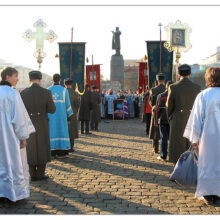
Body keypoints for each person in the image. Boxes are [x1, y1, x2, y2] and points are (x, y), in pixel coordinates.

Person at [184, 67, 220, 205]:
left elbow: (197, 119)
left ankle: (208, 193)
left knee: (207, 165)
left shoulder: (203, 95)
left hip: (208, 138)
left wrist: (194, 138)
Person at [0, 67, 35, 202]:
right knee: (11, 164)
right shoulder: (13, 94)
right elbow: (19, 119)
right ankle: (12, 193)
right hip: (9, 138)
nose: (17, 79)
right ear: (7, 77)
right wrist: (23, 137)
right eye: (16, 76)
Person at [21, 71, 56, 181]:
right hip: (42, 122)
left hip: (28, 122)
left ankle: (32, 173)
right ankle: (40, 173)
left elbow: (21, 111)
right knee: (43, 146)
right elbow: (52, 109)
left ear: (30, 80)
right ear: (40, 80)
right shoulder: (46, 92)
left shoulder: (23, 93)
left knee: (30, 147)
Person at [166, 64, 200, 164]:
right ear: (190, 74)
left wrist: (170, 118)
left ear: (179, 74)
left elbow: (169, 106)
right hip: (193, 119)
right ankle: (191, 167)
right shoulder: (197, 87)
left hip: (177, 118)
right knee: (191, 145)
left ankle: (177, 169)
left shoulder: (173, 87)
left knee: (177, 146)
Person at [48, 74, 74, 158]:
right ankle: (62, 152)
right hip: (62, 116)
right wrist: (69, 117)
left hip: (51, 117)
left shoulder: (48, 90)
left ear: (52, 80)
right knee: (62, 131)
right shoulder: (64, 90)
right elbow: (68, 105)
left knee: (52, 132)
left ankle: (52, 151)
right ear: (60, 80)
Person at [155, 81, 173, 161]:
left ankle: (163, 155)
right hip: (172, 119)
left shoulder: (161, 95)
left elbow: (157, 109)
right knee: (173, 138)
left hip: (162, 119)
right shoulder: (174, 95)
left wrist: (156, 121)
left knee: (164, 138)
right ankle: (173, 155)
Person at [149, 73, 166, 153]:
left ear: (157, 80)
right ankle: (165, 148)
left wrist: (153, 106)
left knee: (155, 130)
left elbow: (151, 102)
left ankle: (155, 148)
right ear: (164, 80)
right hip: (166, 111)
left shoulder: (153, 90)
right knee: (165, 131)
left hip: (156, 111)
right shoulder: (168, 89)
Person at [64, 78, 80, 152]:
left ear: (65, 84)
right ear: (71, 85)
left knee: (65, 130)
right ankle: (71, 147)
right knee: (72, 131)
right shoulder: (75, 93)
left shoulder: (62, 92)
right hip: (72, 114)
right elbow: (77, 105)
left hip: (63, 114)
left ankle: (64, 146)